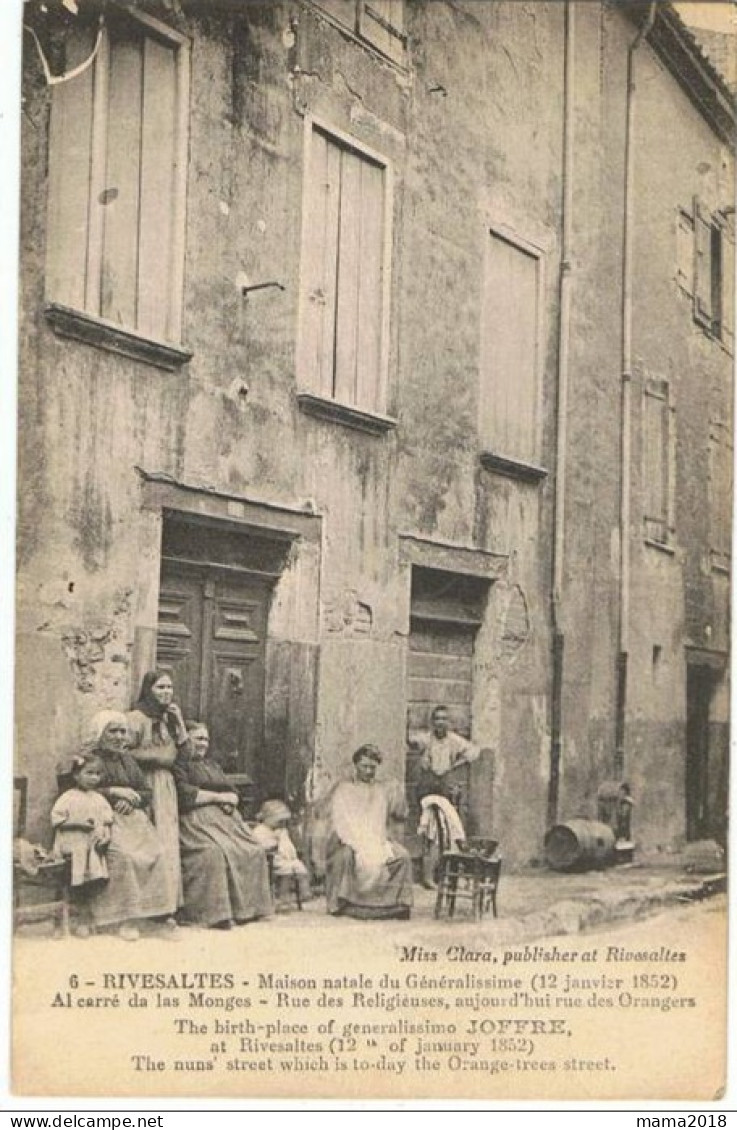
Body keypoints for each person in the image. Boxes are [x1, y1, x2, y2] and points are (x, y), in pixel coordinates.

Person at [83, 710, 176, 940]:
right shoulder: (89, 759)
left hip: (133, 821)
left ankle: (157, 915)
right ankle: (124, 919)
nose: (119, 737)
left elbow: (145, 790)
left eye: (122, 732)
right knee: (125, 856)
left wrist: (132, 798)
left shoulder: (128, 760)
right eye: (112, 731)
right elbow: (76, 788)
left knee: (158, 852)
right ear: (100, 734)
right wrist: (113, 792)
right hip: (103, 821)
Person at [173, 721, 273, 928]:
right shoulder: (178, 765)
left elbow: (231, 791)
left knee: (253, 850)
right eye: (198, 738)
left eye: (206, 739)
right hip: (195, 823)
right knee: (214, 853)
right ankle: (215, 914)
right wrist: (218, 798)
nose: (203, 744)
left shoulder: (211, 765)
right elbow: (184, 794)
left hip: (226, 824)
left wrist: (231, 800)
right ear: (185, 739)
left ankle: (249, 910)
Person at [324, 745, 413, 920]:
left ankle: (396, 903)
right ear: (356, 765)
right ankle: (344, 903)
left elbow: (393, 815)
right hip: (349, 837)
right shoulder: (344, 789)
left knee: (403, 855)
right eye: (364, 766)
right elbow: (340, 820)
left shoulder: (381, 790)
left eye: (372, 767)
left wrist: (397, 791)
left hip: (375, 838)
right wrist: (355, 842)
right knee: (346, 856)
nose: (368, 771)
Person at [127, 671, 188, 914]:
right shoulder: (134, 719)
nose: (166, 692)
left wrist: (180, 722)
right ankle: (143, 905)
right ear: (148, 690)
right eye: (160, 687)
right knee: (146, 843)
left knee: (166, 841)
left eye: (169, 688)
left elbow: (185, 756)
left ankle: (166, 905)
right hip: (143, 783)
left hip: (166, 787)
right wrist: (158, 756)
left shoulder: (169, 721)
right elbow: (124, 753)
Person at [51, 753, 113, 890]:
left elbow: (107, 821)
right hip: (73, 838)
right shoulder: (68, 797)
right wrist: (78, 823)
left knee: (94, 850)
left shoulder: (99, 798)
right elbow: (57, 820)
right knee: (80, 849)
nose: (94, 778)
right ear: (76, 775)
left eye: (97, 774)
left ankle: (91, 885)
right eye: (89, 773)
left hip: (93, 841)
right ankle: (78, 885)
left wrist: (107, 837)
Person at [413, 705, 480, 803]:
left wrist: (457, 764)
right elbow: (411, 741)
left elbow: (474, 751)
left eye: (444, 719)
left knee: (449, 810)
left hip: (446, 782)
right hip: (429, 782)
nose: (440, 722)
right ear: (433, 722)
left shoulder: (454, 739)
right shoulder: (427, 738)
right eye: (437, 719)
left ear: (448, 722)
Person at [251, 799, 311, 907]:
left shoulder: (281, 831)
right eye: (278, 821)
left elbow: (288, 846)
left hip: (282, 857)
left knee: (296, 867)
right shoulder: (260, 831)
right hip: (268, 859)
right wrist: (275, 841)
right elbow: (260, 846)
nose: (280, 824)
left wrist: (282, 839)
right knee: (289, 869)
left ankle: (298, 892)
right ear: (267, 819)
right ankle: (284, 895)